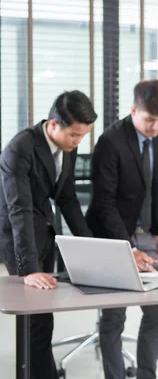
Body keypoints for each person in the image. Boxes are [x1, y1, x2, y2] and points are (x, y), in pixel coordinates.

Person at [0, 90, 96, 379]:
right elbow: (19, 210)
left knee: (44, 315)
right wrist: (28, 269)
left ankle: (41, 372)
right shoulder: (20, 148)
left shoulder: (67, 146)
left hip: (44, 231)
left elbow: (66, 197)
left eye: (83, 136)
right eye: (75, 135)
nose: (79, 142)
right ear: (54, 124)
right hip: (19, 237)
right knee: (34, 318)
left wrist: (90, 246)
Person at [85, 79, 158, 379]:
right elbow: (103, 204)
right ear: (134, 110)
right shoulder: (111, 142)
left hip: (144, 232)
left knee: (157, 307)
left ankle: (147, 373)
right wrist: (128, 249)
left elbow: (156, 183)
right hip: (113, 235)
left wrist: (155, 229)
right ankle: (116, 375)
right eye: (150, 120)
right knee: (115, 314)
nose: (156, 128)